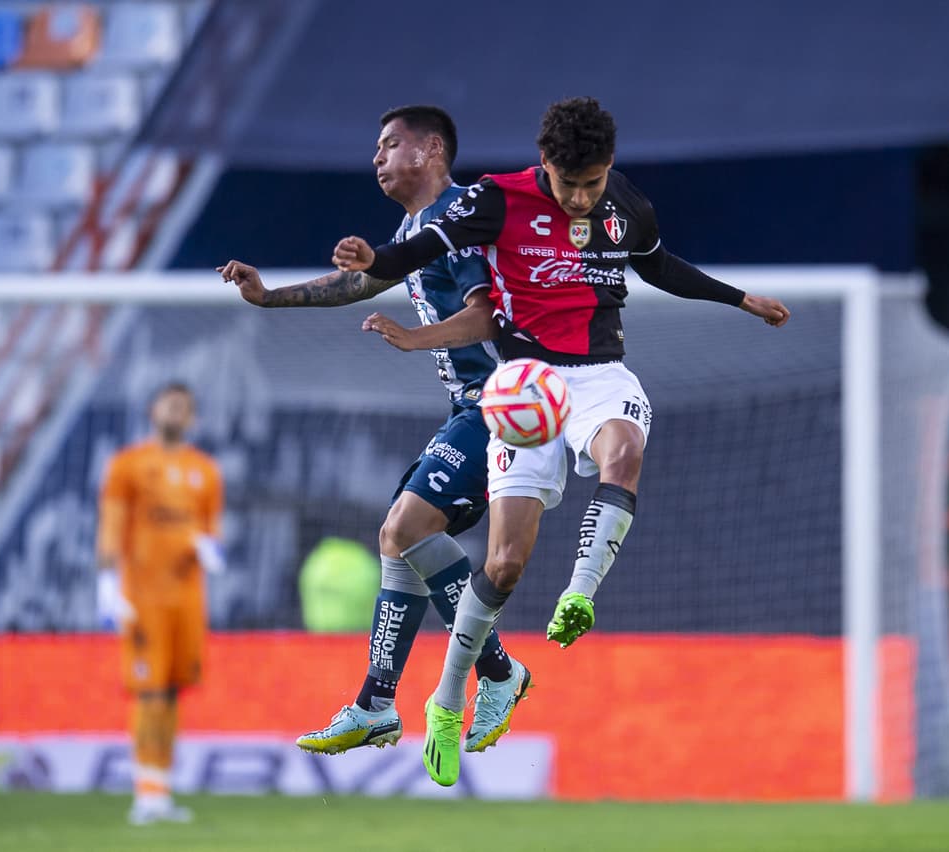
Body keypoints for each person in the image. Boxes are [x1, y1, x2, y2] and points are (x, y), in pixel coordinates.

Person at [338, 96, 791, 786]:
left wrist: (738, 298)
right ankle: (449, 695)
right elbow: (426, 245)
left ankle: (580, 594)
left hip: (602, 376)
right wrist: (378, 258)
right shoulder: (499, 199)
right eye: (568, 183)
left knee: (626, 451)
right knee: (505, 564)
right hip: (525, 388)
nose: (581, 198)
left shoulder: (625, 203)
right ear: (543, 163)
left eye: (594, 182)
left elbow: (659, 265)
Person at [216, 105, 530, 759]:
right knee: (400, 540)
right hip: (471, 407)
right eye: (375, 151)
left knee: (404, 529)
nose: (377, 160)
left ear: (431, 149)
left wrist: (414, 339)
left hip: (506, 402)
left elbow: (485, 317)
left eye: (389, 146)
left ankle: (495, 674)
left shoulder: (463, 215)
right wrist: (269, 296)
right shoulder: (416, 227)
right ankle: (379, 705)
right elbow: (360, 281)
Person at [96, 381, 225, 824]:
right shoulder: (127, 465)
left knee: (171, 693)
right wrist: (108, 584)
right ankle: (144, 792)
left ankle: (161, 790)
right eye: (169, 404)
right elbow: (111, 527)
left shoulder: (205, 471)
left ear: (192, 419)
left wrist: (209, 549)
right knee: (148, 693)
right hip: (143, 595)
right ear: (153, 411)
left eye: (183, 407)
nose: (175, 412)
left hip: (187, 598)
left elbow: (212, 533)